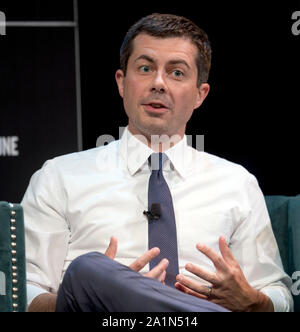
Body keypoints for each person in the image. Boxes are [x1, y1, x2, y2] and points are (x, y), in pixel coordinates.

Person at [22, 13, 293, 312]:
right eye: (145, 68)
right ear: (122, 83)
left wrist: (252, 302)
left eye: (177, 73)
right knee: (87, 272)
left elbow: (277, 294)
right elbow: (23, 290)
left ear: (200, 94)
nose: (159, 83)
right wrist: (84, 302)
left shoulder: (237, 183)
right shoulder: (58, 177)